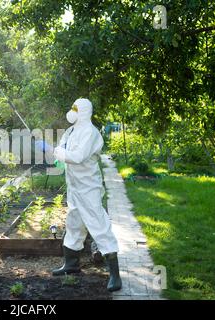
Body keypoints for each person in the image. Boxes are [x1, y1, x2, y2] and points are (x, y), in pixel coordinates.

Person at [52, 98, 122, 292]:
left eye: (75, 108)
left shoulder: (90, 133)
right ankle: (71, 264)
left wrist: (60, 153)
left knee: (98, 225)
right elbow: (65, 150)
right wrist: (59, 152)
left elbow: (78, 156)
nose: (71, 111)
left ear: (83, 111)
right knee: (74, 223)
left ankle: (115, 275)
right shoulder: (71, 130)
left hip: (89, 187)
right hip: (74, 186)